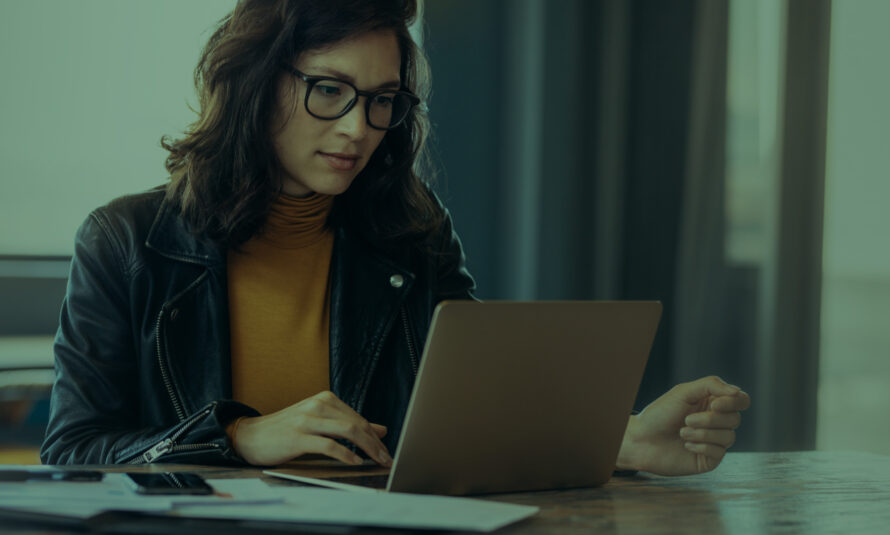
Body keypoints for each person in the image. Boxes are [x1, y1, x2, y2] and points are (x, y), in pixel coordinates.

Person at [40, 0, 750, 476]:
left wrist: (621, 439)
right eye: (329, 90)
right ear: (255, 83)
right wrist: (237, 437)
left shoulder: (410, 231)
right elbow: (73, 451)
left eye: (383, 100)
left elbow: (477, 409)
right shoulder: (126, 241)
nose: (357, 127)